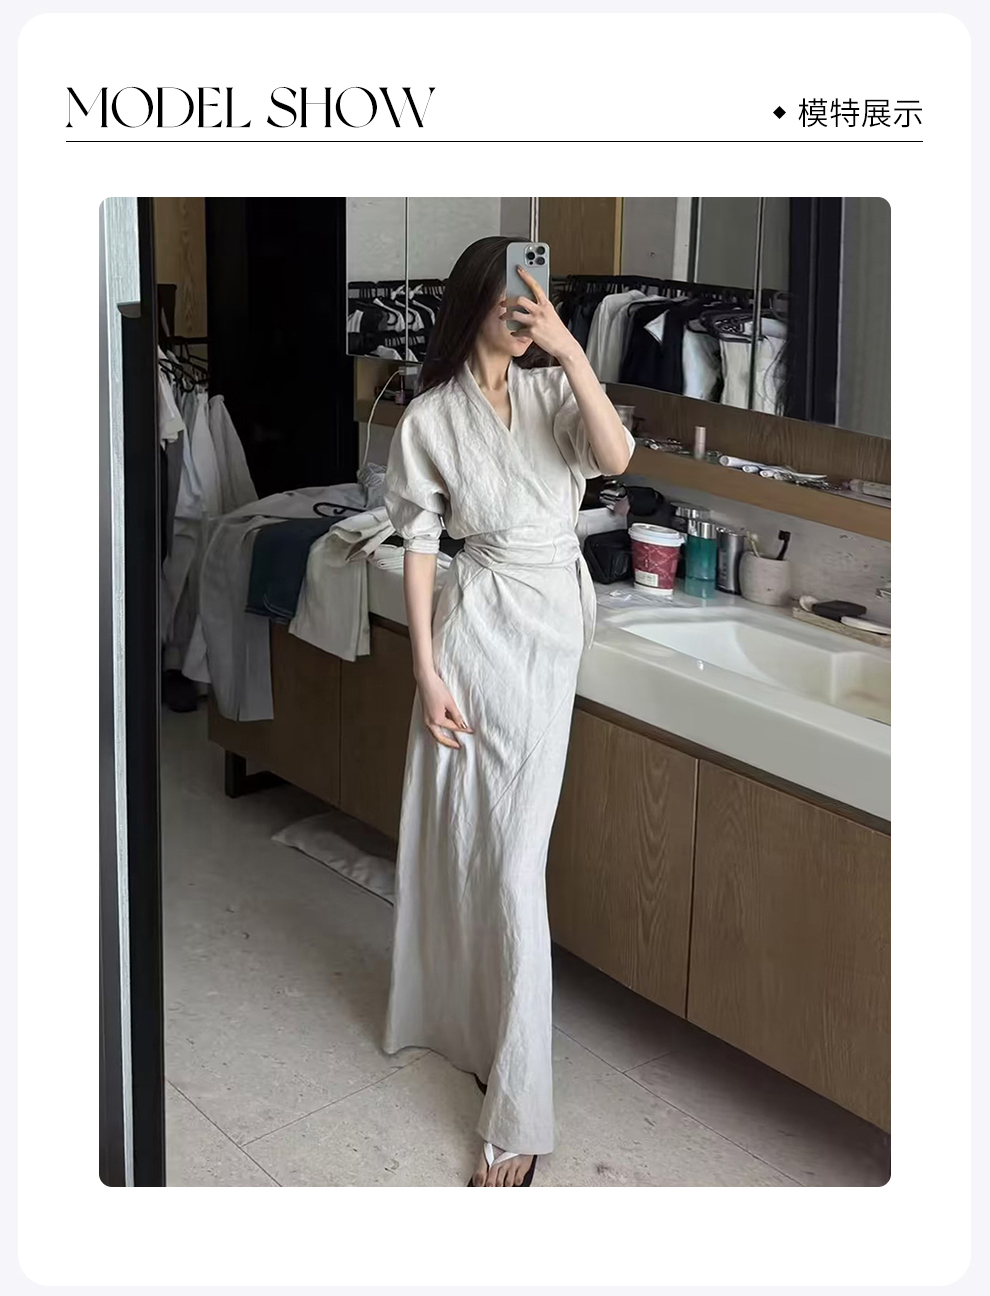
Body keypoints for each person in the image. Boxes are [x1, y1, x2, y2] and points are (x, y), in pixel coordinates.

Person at [382, 235, 635, 1187]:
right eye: (509, 299)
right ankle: (482, 1041)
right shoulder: (431, 417)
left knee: (514, 859)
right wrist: (425, 669)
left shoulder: (555, 391)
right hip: (474, 629)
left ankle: (519, 1098)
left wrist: (573, 351)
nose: (523, 313)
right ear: (475, 305)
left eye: (536, 297)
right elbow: (419, 543)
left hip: (549, 630)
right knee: (467, 842)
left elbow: (615, 456)